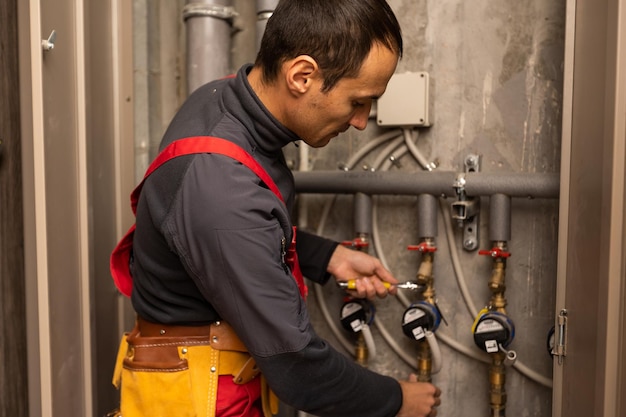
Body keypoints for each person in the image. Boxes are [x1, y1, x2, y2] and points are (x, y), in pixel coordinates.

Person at [112, 0, 442, 416]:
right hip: (199, 397)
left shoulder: (221, 98)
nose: (361, 121)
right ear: (301, 76)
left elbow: (239, 237)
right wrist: (396, 399)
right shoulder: (220, 185)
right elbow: (296, 367)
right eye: (358, 101)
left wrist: (326, 256)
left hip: (216, 375)